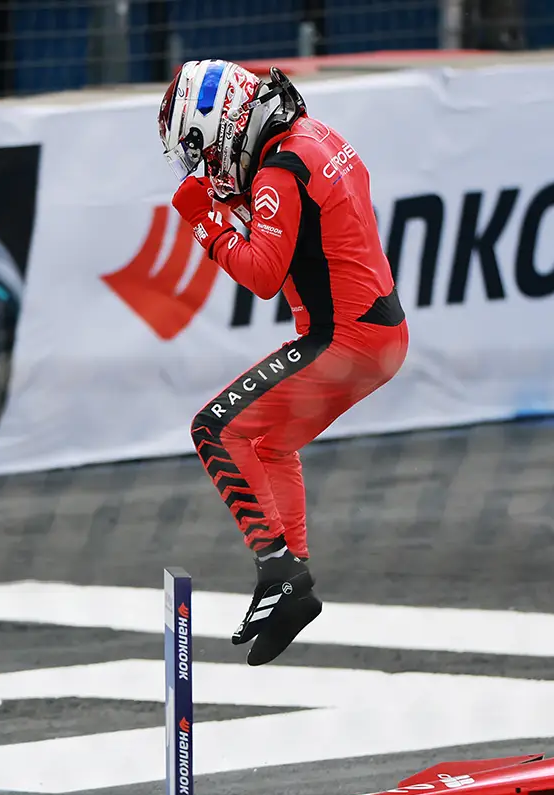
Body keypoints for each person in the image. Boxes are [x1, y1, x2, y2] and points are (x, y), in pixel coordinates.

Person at [158, 59, 408, 666]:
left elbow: (264, 274)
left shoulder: (278, 170)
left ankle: (280, 569)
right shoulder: (315, 136)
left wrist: (204, 219)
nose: (210, 173)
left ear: (222, 129)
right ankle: (291, 585)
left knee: (213, 428)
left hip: (341, 340)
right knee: (268, 443)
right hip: (378, 333)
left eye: (204, 156)